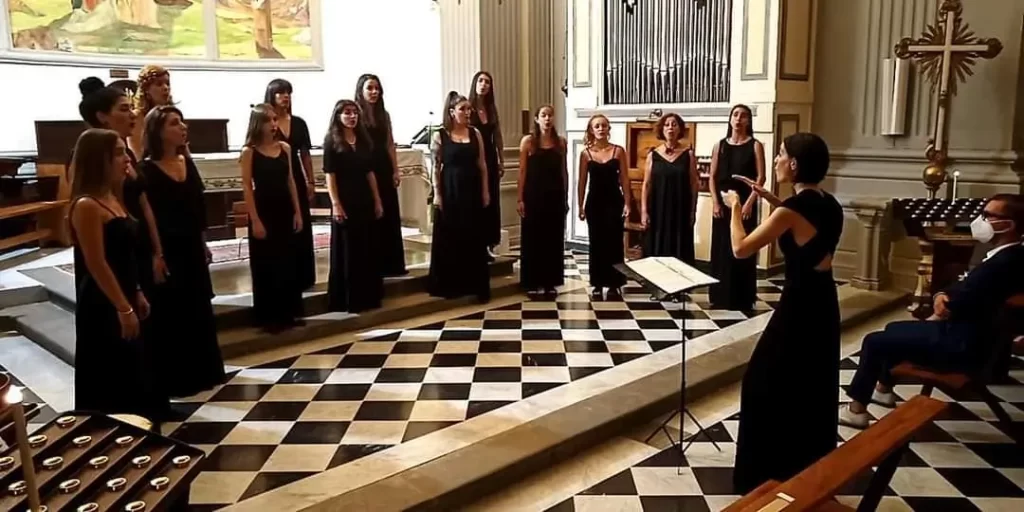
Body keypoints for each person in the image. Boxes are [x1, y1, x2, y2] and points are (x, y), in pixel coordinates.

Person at [840, 194, 1024, 429]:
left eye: (988, 215)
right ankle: (883, 389)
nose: (981, 220)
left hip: (964, 345)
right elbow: (965, 286)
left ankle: (856, 410)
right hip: (974, 336)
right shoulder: (1011, 255)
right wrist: (942, 294)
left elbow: (961, 300)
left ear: (1008, 224)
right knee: (894, 328)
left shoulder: (1003, 263)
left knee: (875, 341)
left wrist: (943, 302)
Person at [728, 133, 844, 493]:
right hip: (824, 302)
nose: (777, 160)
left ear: (794, 164)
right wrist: (771, 199)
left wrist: (735, 206)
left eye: (780, 154)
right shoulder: (829, 203)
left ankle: (761, 475)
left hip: (799, 306)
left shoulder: (790, 211)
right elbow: (805, 224)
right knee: (810, 384)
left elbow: (740, 249)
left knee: (759, 383)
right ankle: (805, 465)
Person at [69, 128, 167, 421]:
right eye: (118, 153)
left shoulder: (113, 198)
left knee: (133, 363)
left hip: (125, 290)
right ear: (99, 159)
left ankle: (141, 419)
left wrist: (136, 291)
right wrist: (122, 307)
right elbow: (96, 262)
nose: (127, 159)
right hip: (103, 299)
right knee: (110, 365)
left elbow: (126, 255)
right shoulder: (87, 205)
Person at [138, 106, 225, 398]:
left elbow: (197, 207)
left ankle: (205, 371)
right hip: (167, 247)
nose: (183, 127)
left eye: (182, 122)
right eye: (175, 123)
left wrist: (203, 242)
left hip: (190, 245)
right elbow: (147, 216)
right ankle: (179, 378)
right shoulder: (146, 169)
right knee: (173, 312)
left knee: (197, 307)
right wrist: (156, 254)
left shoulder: (186, 161)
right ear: (158, 131)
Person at [77, 77, 168, 294]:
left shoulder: (128, 154)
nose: (133, 114)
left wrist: (157, 250)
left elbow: (143, 203)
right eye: (124, 109)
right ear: (102, 117)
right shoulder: (89, 157)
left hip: (136, 242)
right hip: (115, 249)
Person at [240, 104, 304, 332]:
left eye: (275, 119)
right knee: (267, 263)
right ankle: (269, 316)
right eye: (268, 121)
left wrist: (298, 211)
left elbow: (290, 180)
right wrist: (255, 219)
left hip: (284, 208)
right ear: (258, 124)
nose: (274, 125)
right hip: (263, 209)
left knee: (287, 261)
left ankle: (289, 312)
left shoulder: (285, 148)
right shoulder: (249, 152)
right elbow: (247, 186)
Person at [427, 91, 491, 302]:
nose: (467, 112)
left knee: (473, 235)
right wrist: (437, 194)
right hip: (450, 188)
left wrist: (485, 191)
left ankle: (473, 283)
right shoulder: (440, 135)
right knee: (451, 236)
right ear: (452, 112)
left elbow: (482, 165)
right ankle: (451, 284)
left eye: (469, 109)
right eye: (463, 109)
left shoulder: (475, 134)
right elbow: (435, 168)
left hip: (472, 188)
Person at [324, 100, 385, 312]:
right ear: (338, 116)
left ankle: (368, 296)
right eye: (347, 113)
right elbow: (330, 175)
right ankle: (349, 298)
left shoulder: (363, 140)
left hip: (364, 198)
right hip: (345, 199)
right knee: (348, 249)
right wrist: (336, 204)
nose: (352, 117)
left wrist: (377, 199)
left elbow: (370, 172)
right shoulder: (332, 141)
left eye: (355, 113)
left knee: (366, 247)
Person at [709, 105, 765, 311]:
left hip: (744, 205)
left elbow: (761, 177)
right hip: (723, 206)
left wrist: (749, 202)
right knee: (722, 250)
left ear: (749, 121)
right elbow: (712, 177)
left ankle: (742, 298)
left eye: (743, 116)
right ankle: (720, 295)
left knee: (743, 249)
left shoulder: (755, 145)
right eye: (735, 115)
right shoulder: (720, 145)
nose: (739, 119)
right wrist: (715, 202)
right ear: (730, 119)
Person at [265, 79, 316, 290]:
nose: (285, 96)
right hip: (275, 176)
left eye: (288, 92)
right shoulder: (266, 122)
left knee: (301, 223)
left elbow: (305, 155)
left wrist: (310, 180)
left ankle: (304, 275)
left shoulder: (299, 123)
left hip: (296, 175)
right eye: (280, 93)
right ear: (271, 95)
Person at [355, 74, 407, 276]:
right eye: (370, 88)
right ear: (361, 90)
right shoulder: (355, 114)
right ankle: (372, 264)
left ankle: (391, 263)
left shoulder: (383, 115)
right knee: (371, 214)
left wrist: (395, 169)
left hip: (383, 166)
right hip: (365, 168)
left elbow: (389, 144)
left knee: (388, 212)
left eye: (377, 88)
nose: (374, 92)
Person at [578, 114, 630, 299]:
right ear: (591, 130)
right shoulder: (586, 153)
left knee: (615, 243)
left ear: (609, 128)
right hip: (594, 203)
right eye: (597, 126)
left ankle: (615, 284)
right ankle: (598, 283)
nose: (601, 129)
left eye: (604, 125)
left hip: (614, 201)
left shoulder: (618, 151)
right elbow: (582, 182)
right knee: (597, 243)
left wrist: (628, 203)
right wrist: (580, 206)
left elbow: (624, 179)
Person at [517, 105, 567, 296]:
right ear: (537, 119)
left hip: (554, 196)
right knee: (533, 239)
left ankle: (550, 282)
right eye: (544, 115)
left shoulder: (560, 143)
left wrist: (565, 197)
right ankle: (532, 282)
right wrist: (520, 198)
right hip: (533, 196)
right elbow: (522, 171)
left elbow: (564, 172)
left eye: (550, 115)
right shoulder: (528, 142)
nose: (547, 119)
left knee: (552, 239)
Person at [642, 113, 698, 265]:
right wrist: (644, 211)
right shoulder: (653, 155)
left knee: (680, 246)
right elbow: (646, 184)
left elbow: (694, 184)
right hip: (658, 209)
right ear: (662, 129)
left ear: (680, 129)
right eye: (667, 125)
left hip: (680, 210)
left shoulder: (688, 154)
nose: (670, 128)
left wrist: (693, 211)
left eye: (674, 124)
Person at [470, 71, 505, 258]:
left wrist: (502, 160)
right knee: (477, 199)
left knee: (491, 199)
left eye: (487, 82)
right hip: (473, 157)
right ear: (475, 84)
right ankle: (475, 243)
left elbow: (497, 135)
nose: (483, 85)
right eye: (481, 81)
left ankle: (489, 244)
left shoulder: (491, 109)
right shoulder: (469, 108)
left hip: (490, 157)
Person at [128, 65, 173, 158]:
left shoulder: (171, 115)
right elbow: (138, 154)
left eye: (167, 83)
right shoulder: (137, 117)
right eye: (159, 84)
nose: (166, 88)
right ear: (146, 89)